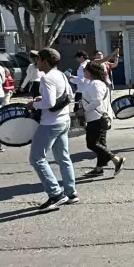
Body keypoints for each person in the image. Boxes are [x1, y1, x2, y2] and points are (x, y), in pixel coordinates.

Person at [28, 48, 78, 212]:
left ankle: (56, 194)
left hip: (50, 123)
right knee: (63, 157)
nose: (36, 63)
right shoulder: (62, 74)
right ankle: (71, 193)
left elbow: (49, 104)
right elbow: (70, 94)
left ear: (44, 60)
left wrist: (34, 104)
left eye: (38, 60)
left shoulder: (47, 78)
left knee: (37, 158)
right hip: (64, 120)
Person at [78, 61, 125, 178]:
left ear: (90, 71)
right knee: (101, 143)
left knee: (92, 143)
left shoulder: (95, 84)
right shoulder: (94, 83)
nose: (83, 72)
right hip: (97, 117)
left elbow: (96, 101)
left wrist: (83, 109)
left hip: (97, 117)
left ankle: (116, 159)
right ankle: (99, 168)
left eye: (85, 70)